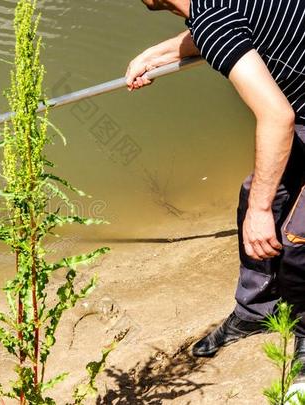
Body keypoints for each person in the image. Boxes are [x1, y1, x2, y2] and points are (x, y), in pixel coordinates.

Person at [126, 0, 305, 377]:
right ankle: (256, 311)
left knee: (296, 238)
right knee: (256, 196)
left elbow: (277, 116)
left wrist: (260, 214)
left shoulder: (212, 22)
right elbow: (232, 28)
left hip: (295, 114)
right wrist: (158, 53)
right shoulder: (216, 13)